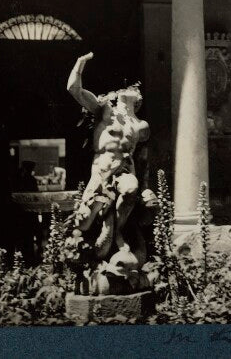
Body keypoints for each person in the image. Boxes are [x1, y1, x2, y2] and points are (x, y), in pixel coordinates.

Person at [66, 52, 158, 295]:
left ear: (138, 100)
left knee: (130, 189)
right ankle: (97, 255)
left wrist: (145, 182)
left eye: (136, 90)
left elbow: (144, 157)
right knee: (85, 220)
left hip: (125, 172)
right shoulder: (104, 110)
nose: (133, 89)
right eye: (129, 87)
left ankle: (118, 234)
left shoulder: (139, 125)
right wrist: (80, 64)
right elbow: (74, 89)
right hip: (101, 173)